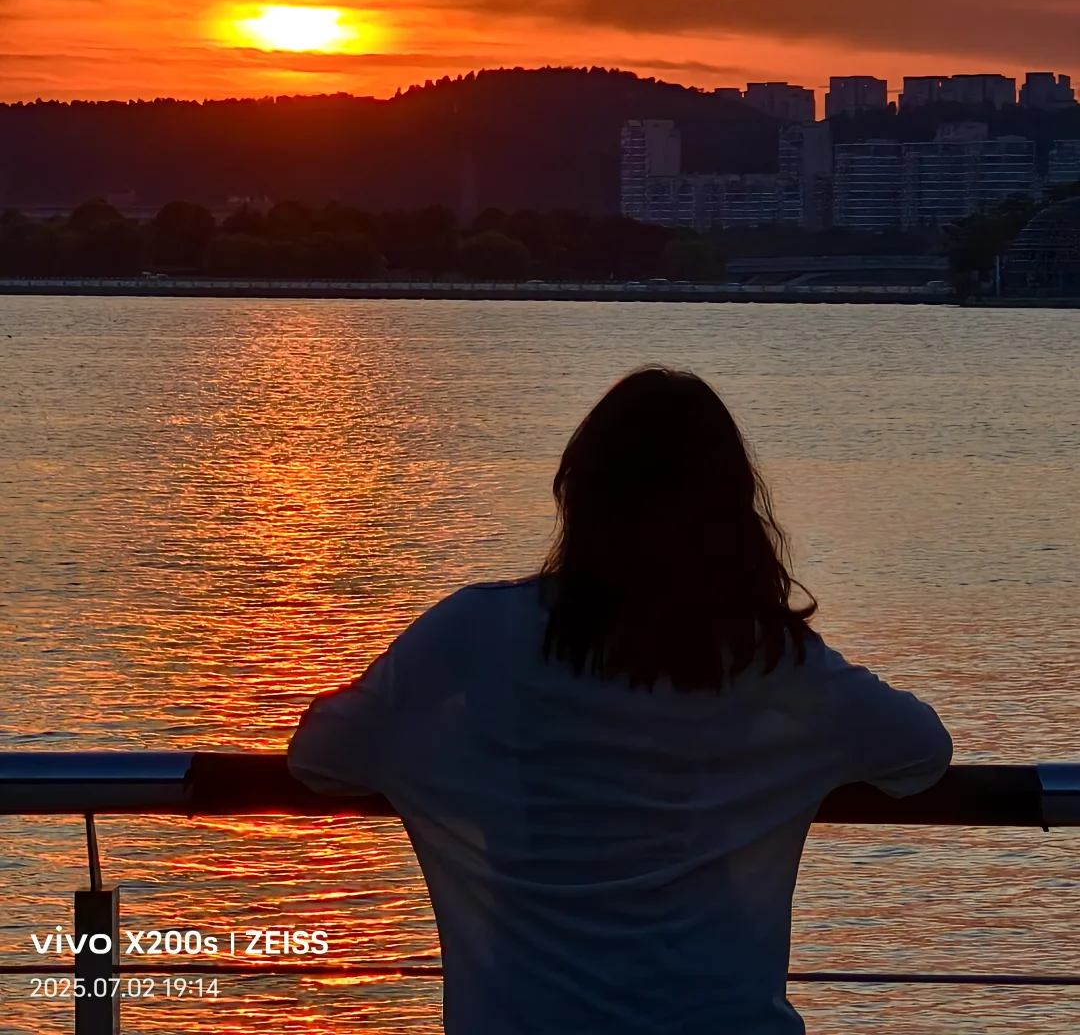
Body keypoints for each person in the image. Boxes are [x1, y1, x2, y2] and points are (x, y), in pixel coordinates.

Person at [288, 366, 952, 1034]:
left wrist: (466, 761)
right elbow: (921, 755)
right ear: (729, 509)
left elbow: (321, 756)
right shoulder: (771, 658)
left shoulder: (478, 629)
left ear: (580, 496)